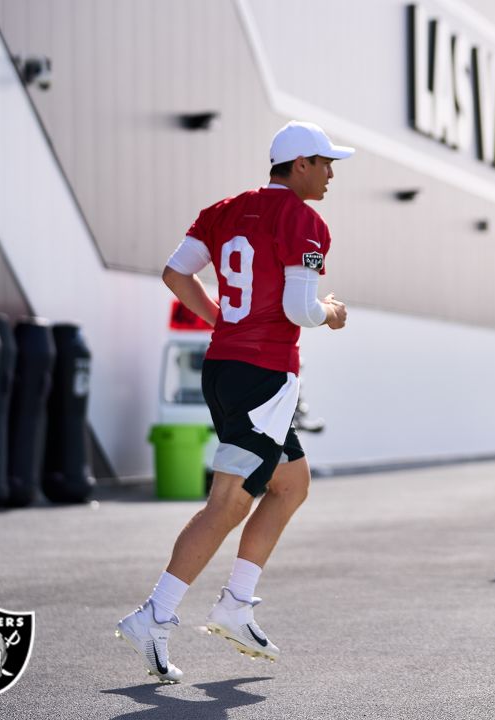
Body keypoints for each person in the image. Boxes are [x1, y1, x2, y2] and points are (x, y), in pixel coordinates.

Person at [116, 121, 351, 683]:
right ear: (298, 165)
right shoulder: (305, 220)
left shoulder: (222, 209)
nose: (331, 173)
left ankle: (236, 604)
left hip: (226, 367)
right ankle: (156, 614)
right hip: (262, 376)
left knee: (291, 484)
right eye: (324, 162)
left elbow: (176, 273)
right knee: (227, 503)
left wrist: (223, 320)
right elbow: (300, 308)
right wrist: (332, 312)